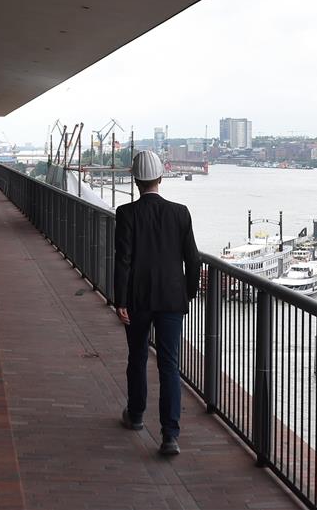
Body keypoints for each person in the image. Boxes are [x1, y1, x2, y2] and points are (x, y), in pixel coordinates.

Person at [114, 150, 199, 455]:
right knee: (169, 364)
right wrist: (188, 292)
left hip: (137, 299)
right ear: (160, 178)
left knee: (137, 356)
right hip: (171, 300)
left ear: (136, 181)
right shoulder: (181, 213)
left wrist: (120, 300)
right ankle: (170, 435)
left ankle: (136, 415)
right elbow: (193, 259)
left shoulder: (126, 213)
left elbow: (123, 260)